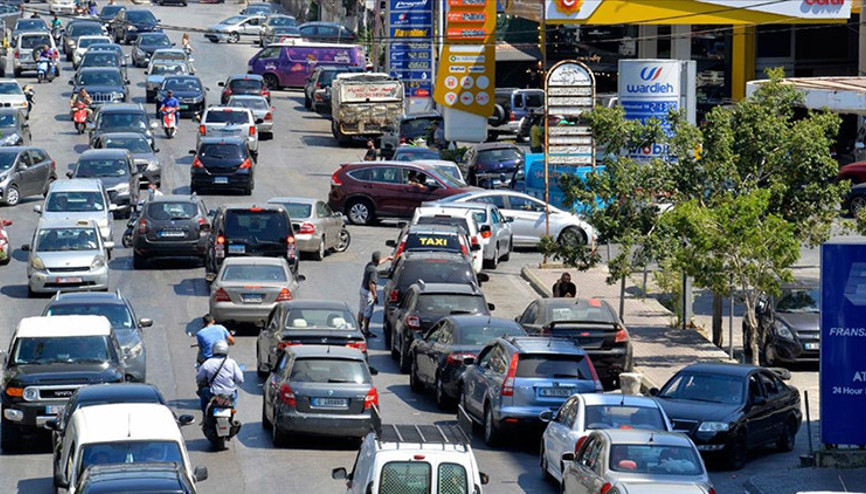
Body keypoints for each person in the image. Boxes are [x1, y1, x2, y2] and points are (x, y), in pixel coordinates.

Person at [195, 340, 244, 414]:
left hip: (214, 394)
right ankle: (232, 408)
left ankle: (205, 413)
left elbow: (199, 378)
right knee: (235, 393)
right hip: (230, 395)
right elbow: (240, 380)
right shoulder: (232, 363)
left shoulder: (208, 363)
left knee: (204, 391)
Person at [358, 251, 392, 337]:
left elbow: (379, 262)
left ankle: (358, 326)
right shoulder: (374, 271)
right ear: (377, 260)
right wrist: (375, 296)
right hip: (368, 292)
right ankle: (366, 330)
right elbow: (371, 284)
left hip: (362, 290)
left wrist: (388, 258)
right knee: (368, 311)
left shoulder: (369, 265)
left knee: (362, 309)